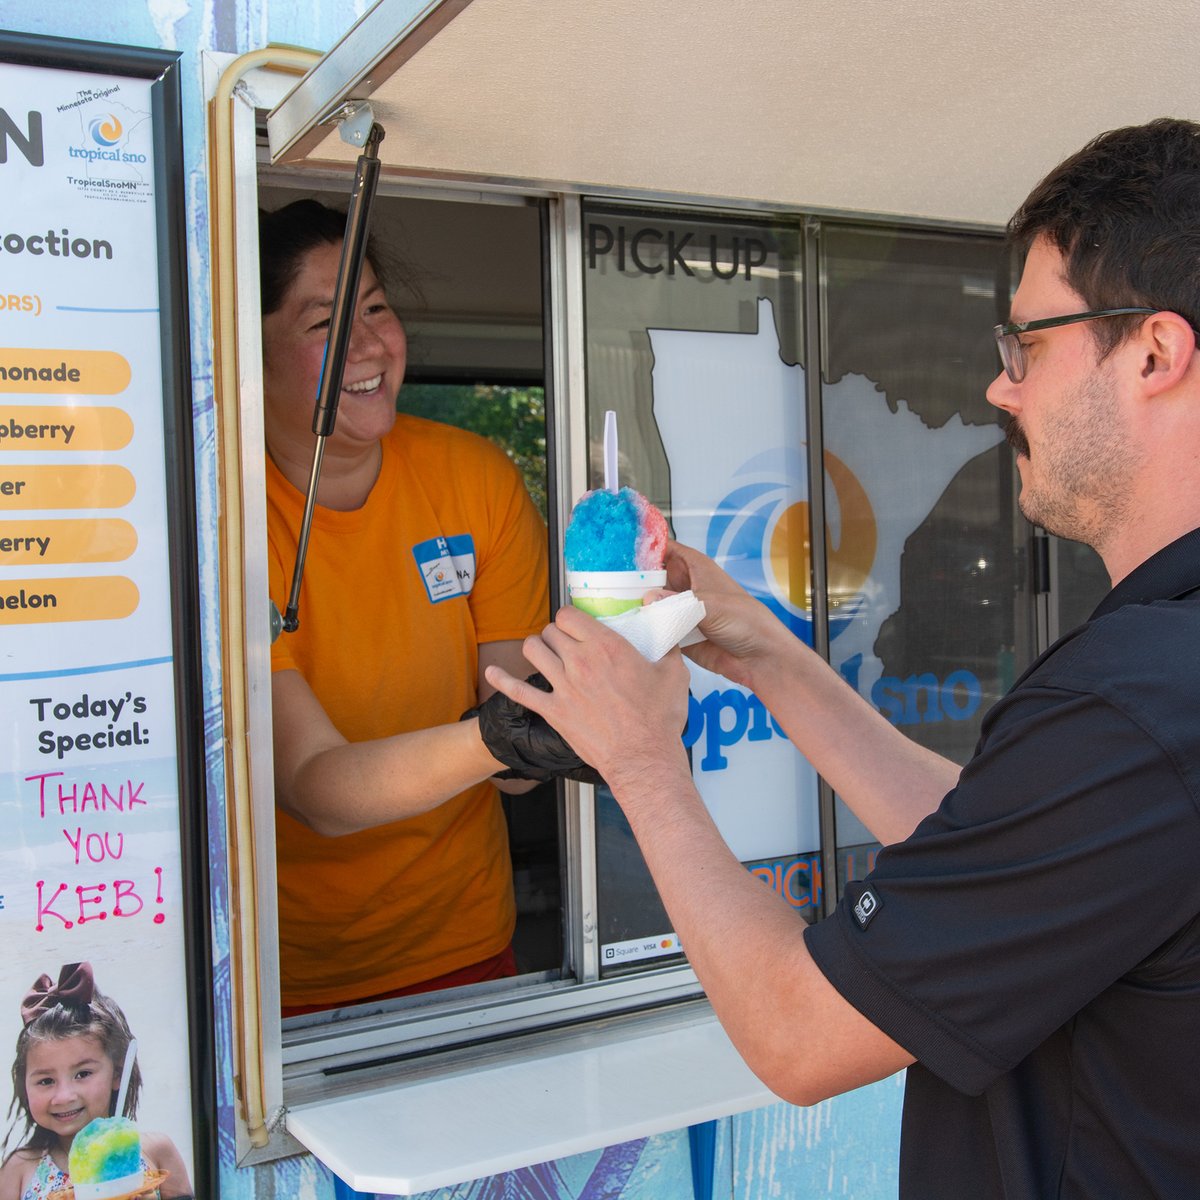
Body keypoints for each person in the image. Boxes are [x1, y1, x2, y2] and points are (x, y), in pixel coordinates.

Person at [483, 118, 1200, 1197]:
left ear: (1153, 350)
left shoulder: (1135, 703)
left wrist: (642, 762)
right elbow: (1012, 848)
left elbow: (797, 1033)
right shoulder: (1152, 696)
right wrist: (774, 659)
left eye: (1028, 346)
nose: (1003, 389)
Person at [260, 199, 550, 1014]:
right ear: (250, 352)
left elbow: (517, 765)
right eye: (325, 323)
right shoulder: (229, 523)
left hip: (466, 941)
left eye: (377, 309)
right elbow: (315, 784)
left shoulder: (475, 480)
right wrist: (505, 736)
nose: (369, 346)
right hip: (285, 978)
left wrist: (560, 723)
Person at [0, 962, 192, 1200]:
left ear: (118, 1074)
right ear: (23, 1085)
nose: (64, 1096)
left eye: (82, 1074)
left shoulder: (158, 1152)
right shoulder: (19, 1171)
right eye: (46, 1080)